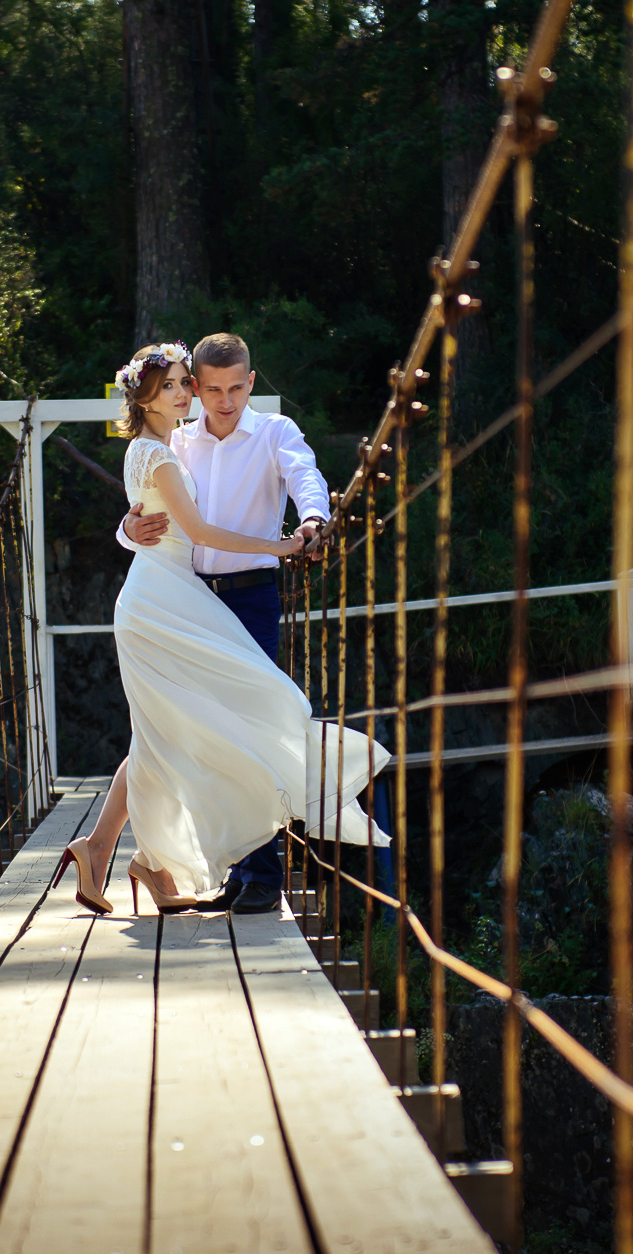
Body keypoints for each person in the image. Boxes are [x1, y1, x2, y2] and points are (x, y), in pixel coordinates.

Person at [47, 339, 390, 916]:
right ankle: (182, 865)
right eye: (205, 388)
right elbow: (156, 519)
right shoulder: (173, 438)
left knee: (251, 719)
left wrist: (311, 521)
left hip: (247, 598)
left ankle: (225, 872)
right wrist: (129, 529)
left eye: (233, 388)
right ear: (194, 389)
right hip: (185, 597)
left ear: (251, 382)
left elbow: (306, 478)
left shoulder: (276, 431)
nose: (220, 400)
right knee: (181, 729)